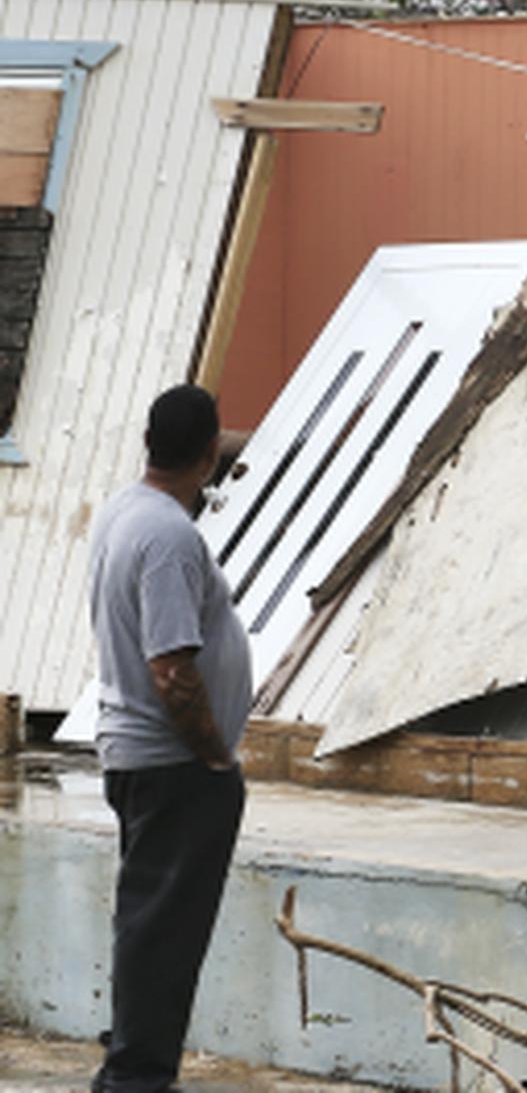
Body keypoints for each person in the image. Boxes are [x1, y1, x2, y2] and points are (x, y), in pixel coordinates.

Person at [87, 384, 252, 1093]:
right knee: (166, 934)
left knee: (149, 923)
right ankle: (136, 1080)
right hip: (175, 763)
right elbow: (171, 667)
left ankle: (133, 1062)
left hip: (139, 756)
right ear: (208, 451)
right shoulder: (169, 538)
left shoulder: (126, 510)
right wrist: (214, 754)